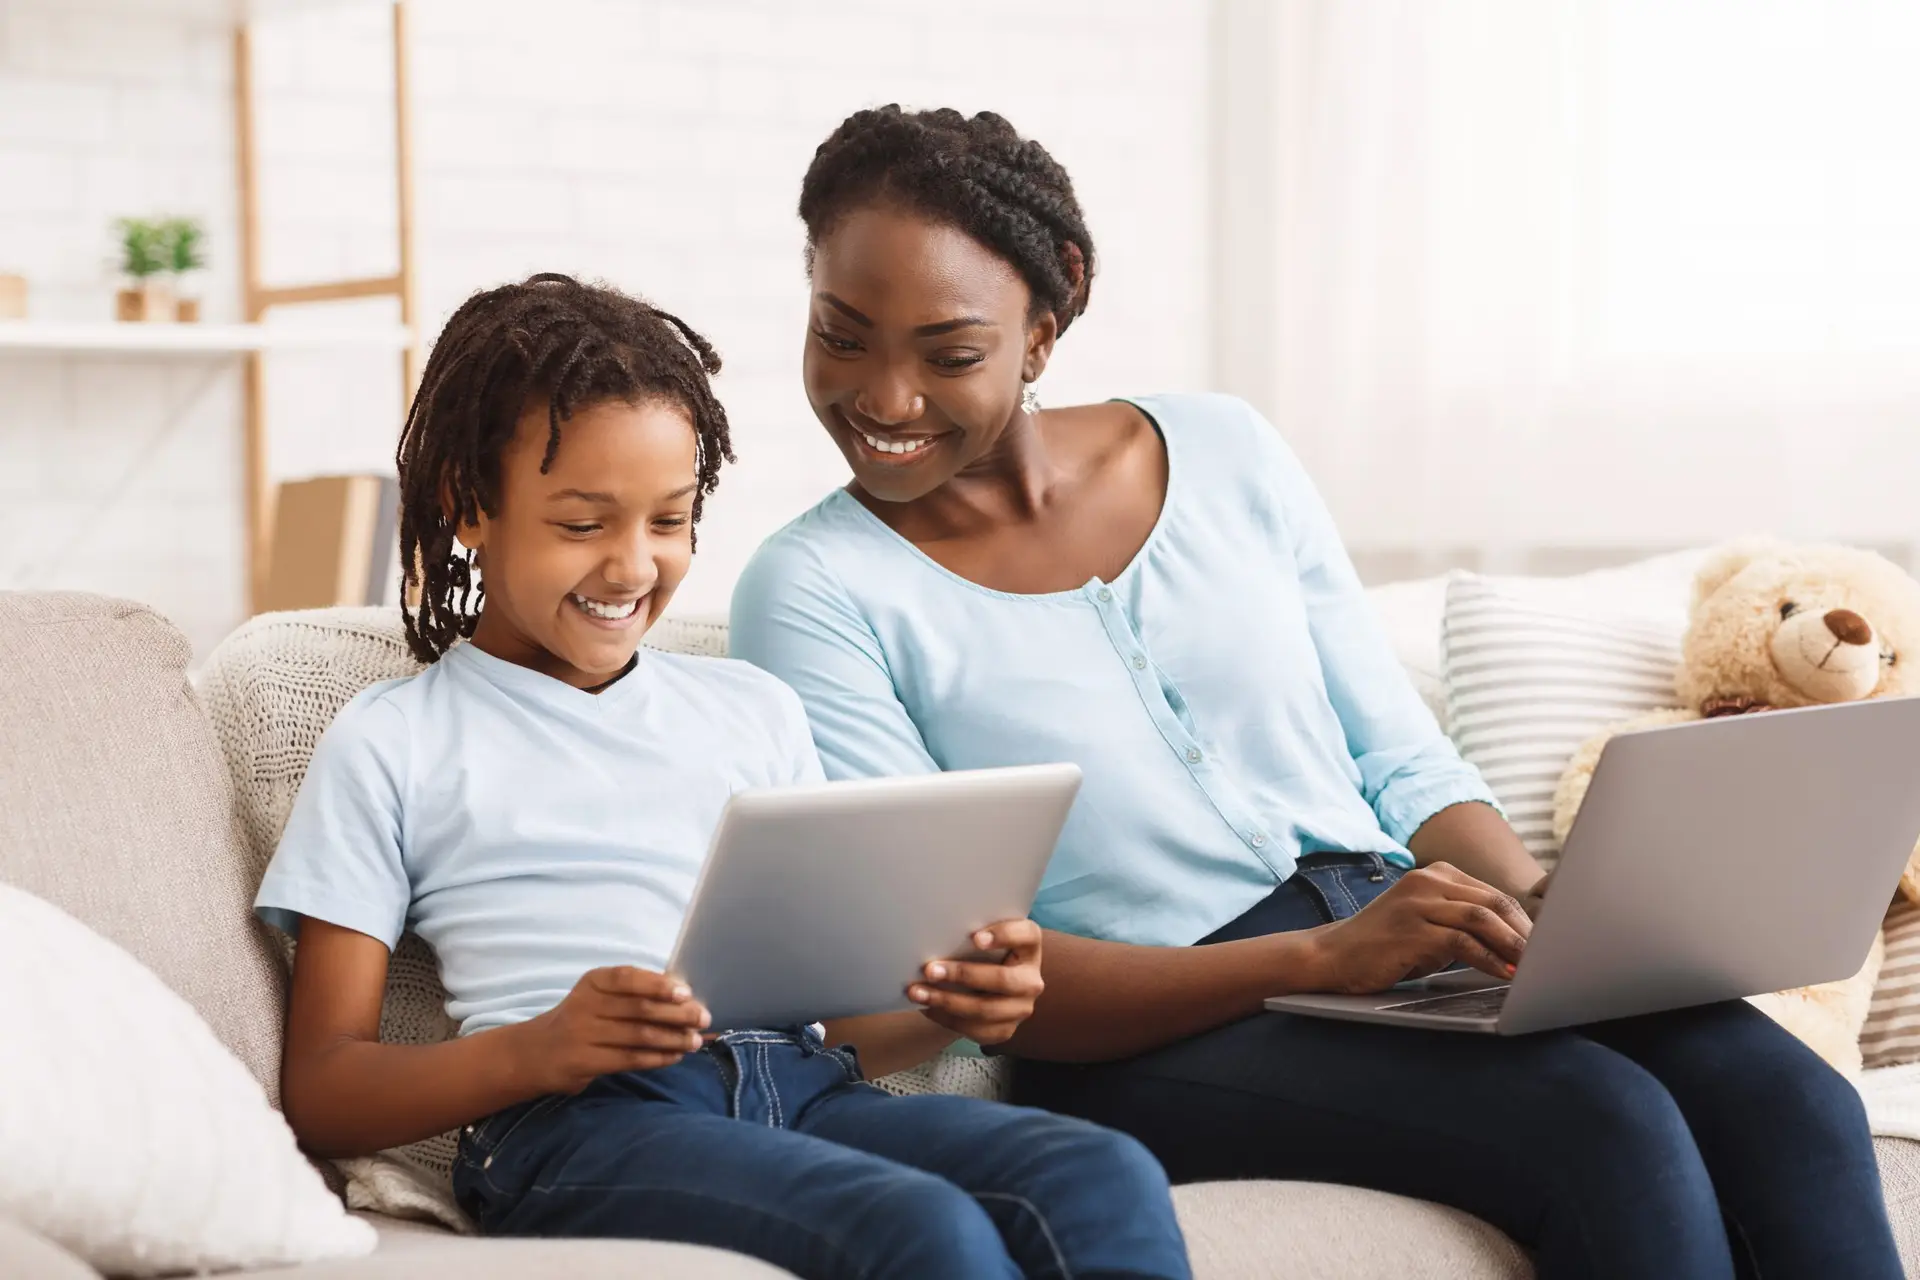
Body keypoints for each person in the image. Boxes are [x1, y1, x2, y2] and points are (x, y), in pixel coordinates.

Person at [728, 106, 1902, 1280]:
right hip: (1151, 1031)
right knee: (1606, 1124)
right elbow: (964, 967)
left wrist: (1550, 909)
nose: (883, 397)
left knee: (1787, 1095)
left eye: (949, 352)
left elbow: (1400, 758)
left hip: (1395, 940)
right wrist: (1318, 958)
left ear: (1048, 318)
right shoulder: (815, 585)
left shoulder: (1227, 450)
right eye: (842, 335)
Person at [254, 273, 1191, 1280]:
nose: (632, 567)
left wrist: (949, 1004)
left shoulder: (752, 708)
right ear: (467, 506)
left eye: (669, 520)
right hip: (582, 1127)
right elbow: (324, 1082)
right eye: (583, 522)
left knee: (1100, 1171)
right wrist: (538, 1048)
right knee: (924, 1229)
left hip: (802, 1086)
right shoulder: (393, 738)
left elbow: (832, 1024)